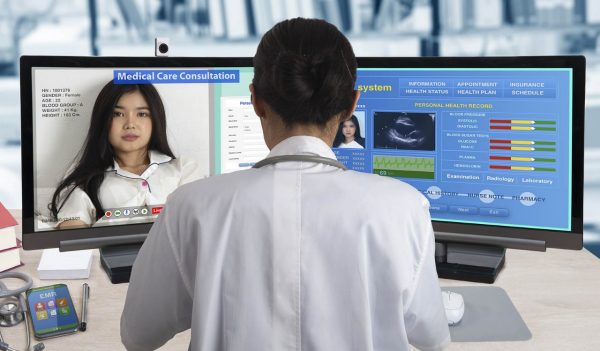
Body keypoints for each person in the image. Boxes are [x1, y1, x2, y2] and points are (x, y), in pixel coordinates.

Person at [121, 18, 450, 351]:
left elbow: (138, 336)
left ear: (256, 101)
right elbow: (432, 337)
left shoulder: (190, 206)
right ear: (351, 104)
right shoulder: (405, 207)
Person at [50, 81, 202, 228]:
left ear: (155, 120)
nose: (130, 123)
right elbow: (74, 242)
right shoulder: (82, 182)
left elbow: (198, 225)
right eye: (117, 114)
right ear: (103, 120)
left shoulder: (183, 169)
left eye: (142, 114)